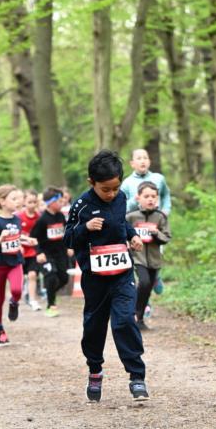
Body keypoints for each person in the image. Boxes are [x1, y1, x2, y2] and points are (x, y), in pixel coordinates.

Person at [64, 149, 148, 402]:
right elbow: (68, 238)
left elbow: (121, 223)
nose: (111, 194)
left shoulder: (120, 198)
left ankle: (136, 377)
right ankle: (95, 370)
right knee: (95, 326)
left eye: (115, 188)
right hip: (95, 276)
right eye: (105, 189)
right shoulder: (82, 204)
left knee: (124, 321)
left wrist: (131, 235)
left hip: (122, 272)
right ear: (92, 182)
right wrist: (84, 228)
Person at [126, 182, 171, 331]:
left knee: (147, 289)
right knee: (143, 282)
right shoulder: (131, 217)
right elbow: (122, 233)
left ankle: (139, 319)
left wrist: (155, 233)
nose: (150, 199)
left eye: (153, 196)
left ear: (157, 198)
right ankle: (133, 313)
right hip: (138, 258)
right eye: (146, 196)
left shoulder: (160, 217)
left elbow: (166, 237)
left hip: (154, 259)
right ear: (138, 198)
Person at [0, 185, 25, 346]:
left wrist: (25, 241)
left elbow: (16, 238)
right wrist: (1, 238)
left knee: (16, 290)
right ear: (2, 201)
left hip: (15, 262)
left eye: (18, 198)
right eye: (13, 199)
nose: (17, 202)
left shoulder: (18, 219)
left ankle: (14, 303)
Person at [31, 187, 69, 318]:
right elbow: (33, 237)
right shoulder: (42, 220)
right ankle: (50, 305)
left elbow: (66, 232)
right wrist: (38, 252)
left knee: (64, 279)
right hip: (46, 254)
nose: (62, 203)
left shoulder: (60, 216)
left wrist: (69, 247)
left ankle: (49, 293)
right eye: (59, 201)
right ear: (50, 203)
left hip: (61, 253)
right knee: (51, 276)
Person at [120, 149, 171, 215]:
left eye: (145, 158)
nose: (143, 161)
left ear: (149, 162)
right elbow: (121, 206)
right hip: (135, 221)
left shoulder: (159, 178)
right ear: (132, 164)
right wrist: (135, 200)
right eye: (139, 158)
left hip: (157, 220)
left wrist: (166, 210)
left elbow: (166, 194)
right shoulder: (127, 183)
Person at [18, 190, 42, 311]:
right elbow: (14, 234)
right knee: (21, 277)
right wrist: (21, 243)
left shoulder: (40, 217)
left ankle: (33, 300)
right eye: (29, 202)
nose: (32, 204)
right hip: (20, 251)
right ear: (24, 202)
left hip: (33, 251)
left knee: (32, 275)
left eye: (34, 202)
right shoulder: (18, 217)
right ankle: (22, 293)